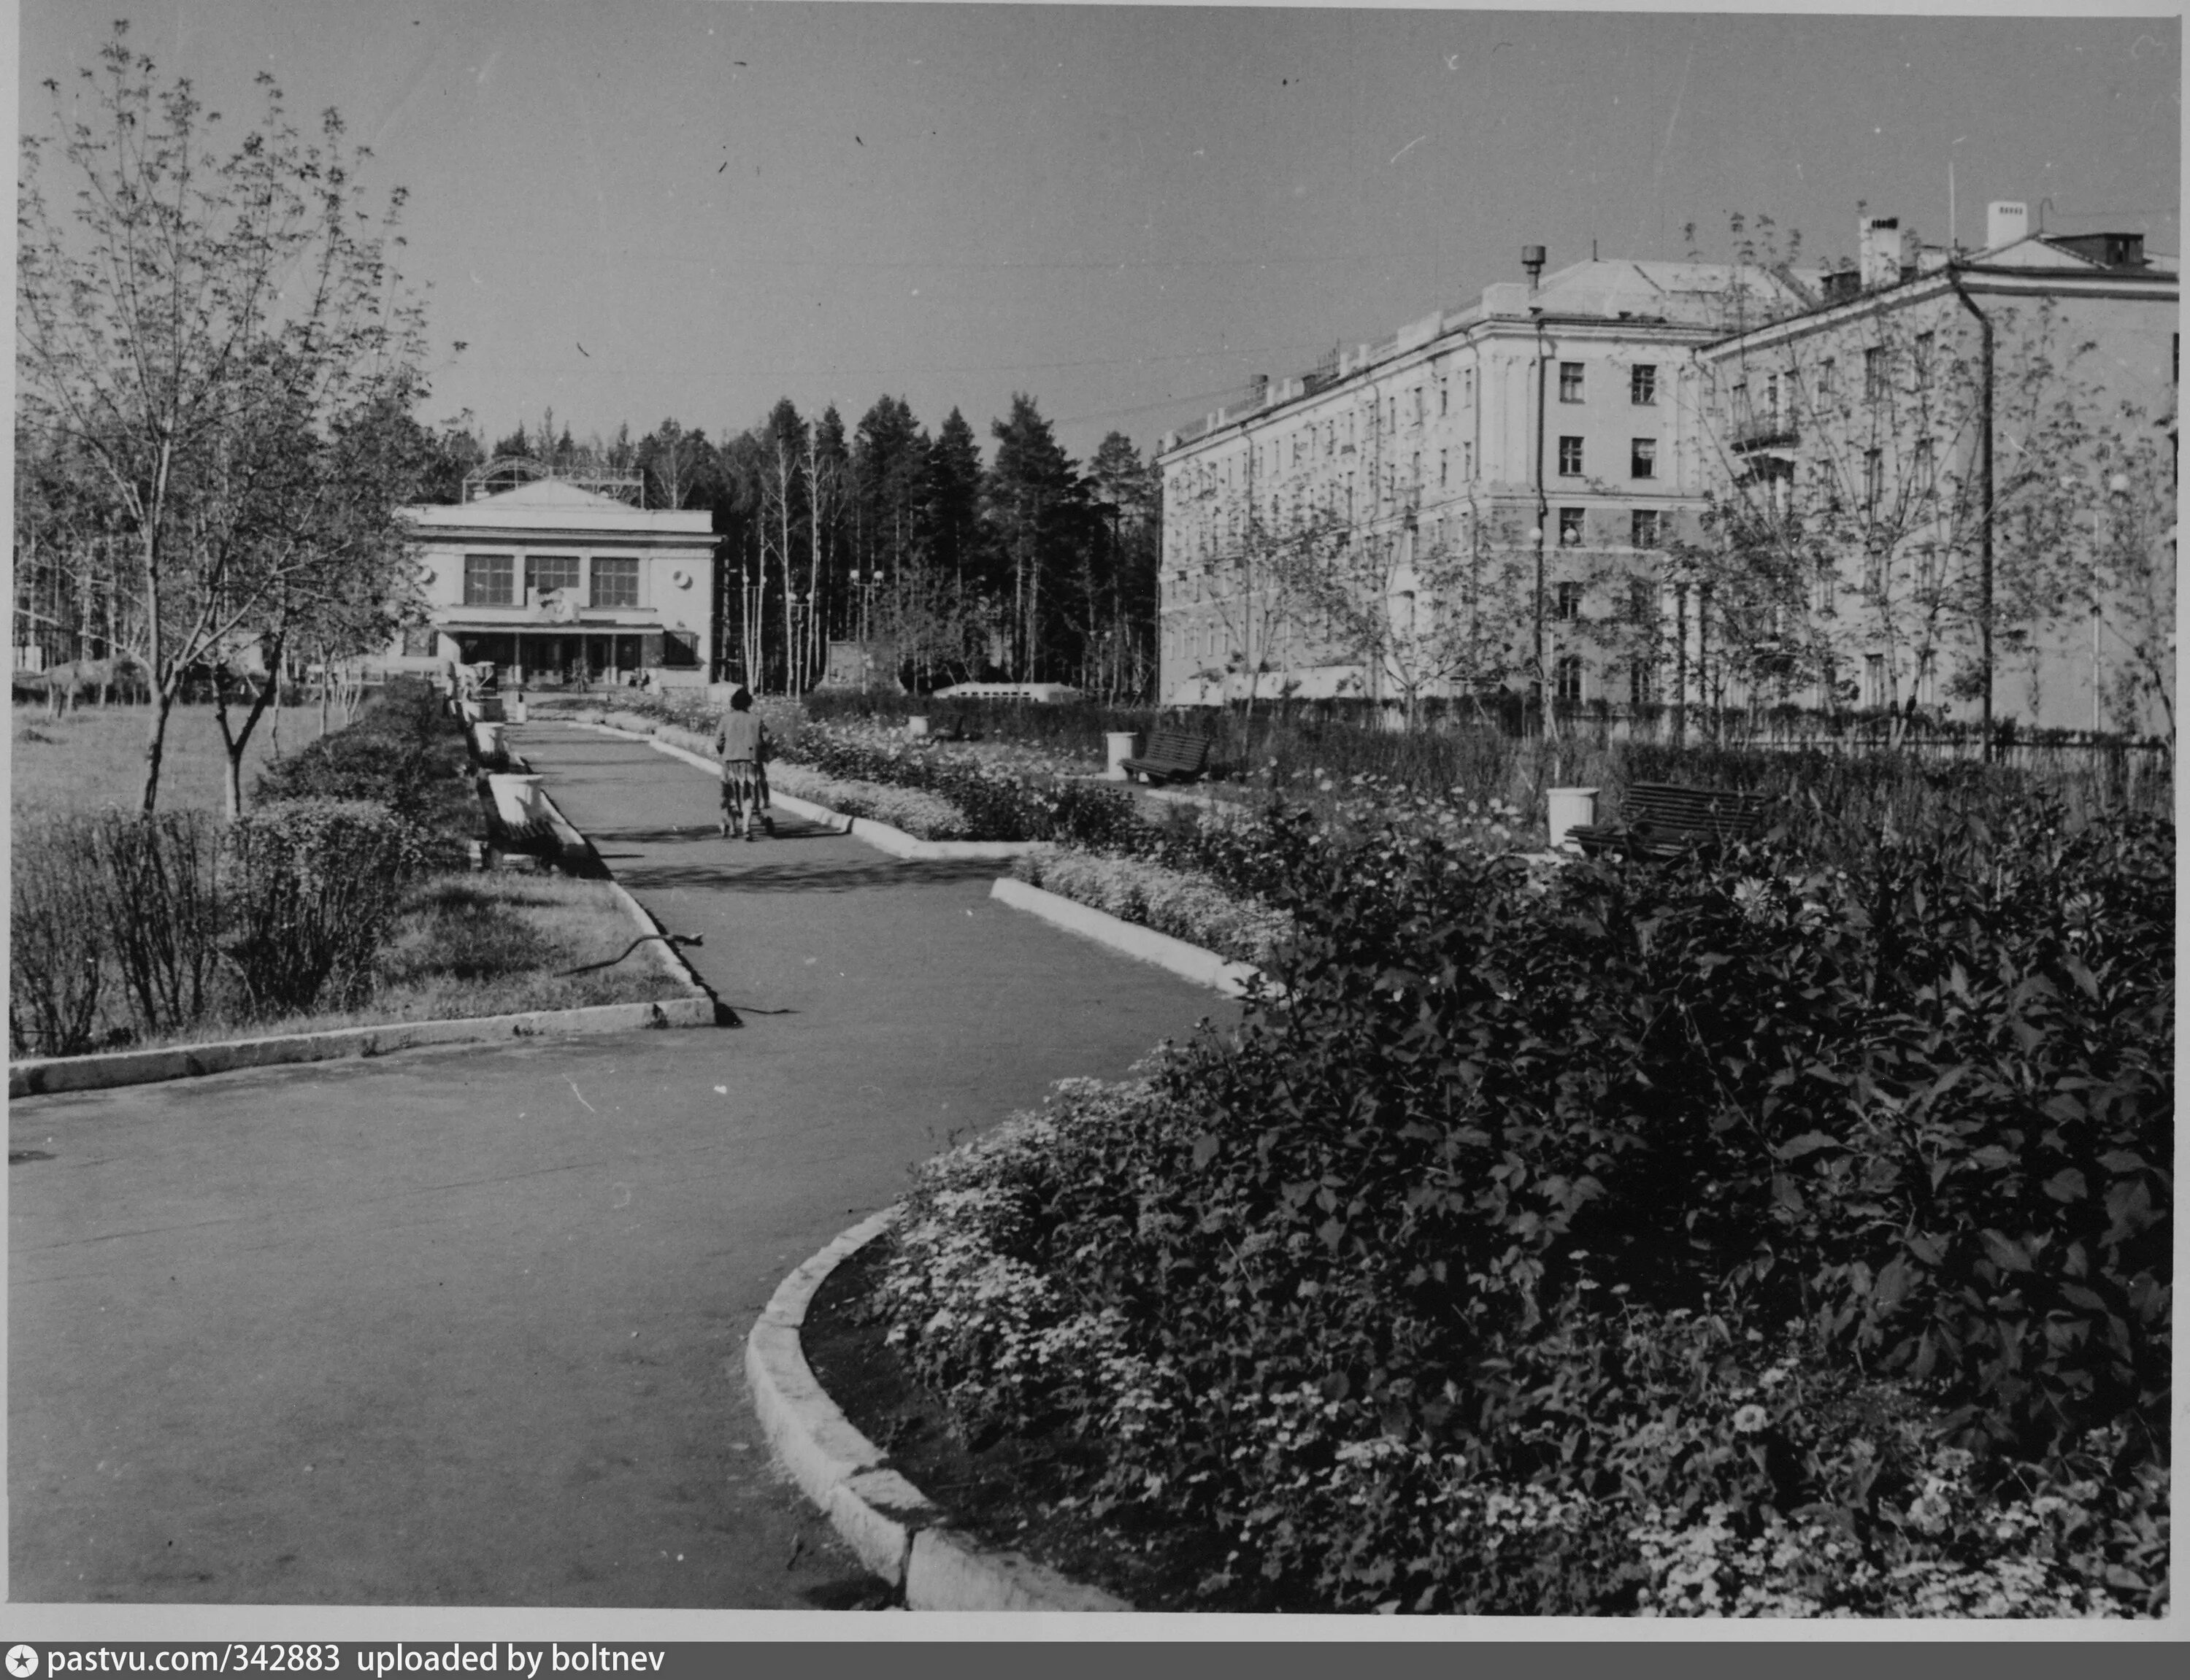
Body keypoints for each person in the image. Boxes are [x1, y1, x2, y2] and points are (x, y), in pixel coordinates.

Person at [713, 687, 775, 841]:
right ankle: (747, 827)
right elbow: (767, 740)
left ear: (733, 702)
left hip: (730, 761)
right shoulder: (756, 719)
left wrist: (724, 752)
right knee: (749, 794)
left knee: (731, 794)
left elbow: (718, 741)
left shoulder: (726, 719)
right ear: (749, 703)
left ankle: (733, 826)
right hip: (751, 761)